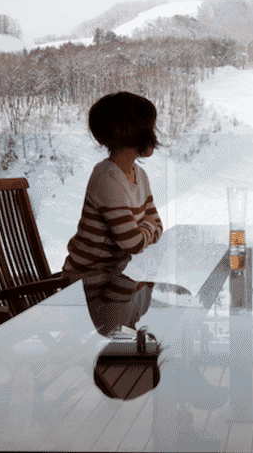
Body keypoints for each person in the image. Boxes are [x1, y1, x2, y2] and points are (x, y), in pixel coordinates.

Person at [63, 91, 164, 335]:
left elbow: (156, 225)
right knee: (167, 299)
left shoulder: (139, 175)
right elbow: (133, 242)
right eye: (151, 126)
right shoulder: (107, 178)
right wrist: (147, 232)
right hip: (92, 291)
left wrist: (145, 233)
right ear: (134, 131)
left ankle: (151, 354)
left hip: (115, 280)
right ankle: (132, 351)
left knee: (173, 297)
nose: (155, 133)